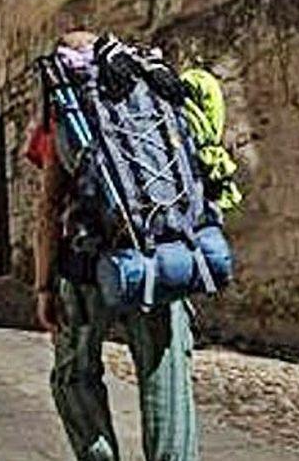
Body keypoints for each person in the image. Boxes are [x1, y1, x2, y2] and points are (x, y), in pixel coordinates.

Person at [28, 31, 200, 461]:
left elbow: (49, 207)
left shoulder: (69, 112)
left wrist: (44, 286)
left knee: (74, 376)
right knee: (167, 379)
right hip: (159, 257)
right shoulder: (156, 98)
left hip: (87, 268)